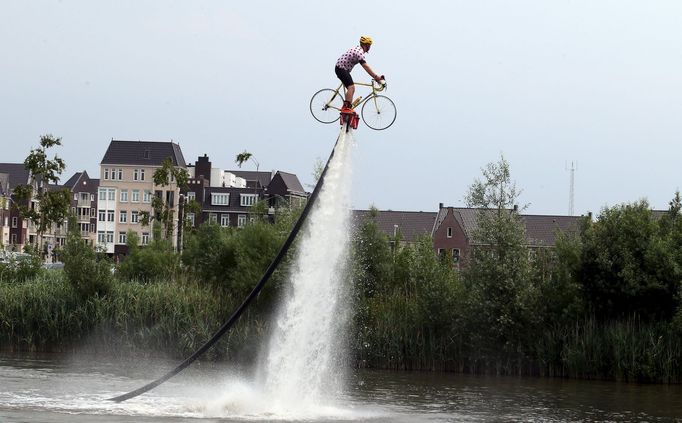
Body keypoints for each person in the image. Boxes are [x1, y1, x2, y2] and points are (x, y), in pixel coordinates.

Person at [335, 36, 384, 113]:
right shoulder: (359, 52)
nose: (370, 47)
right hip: (341, 68)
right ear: (366, 45)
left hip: (343, 69)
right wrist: (376, 77)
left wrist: (376, 77)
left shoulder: (359, 50)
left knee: (351, 89)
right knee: (351, 87)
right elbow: (365, 66)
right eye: (369, 45)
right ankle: (346, 108)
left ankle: (348, 107)